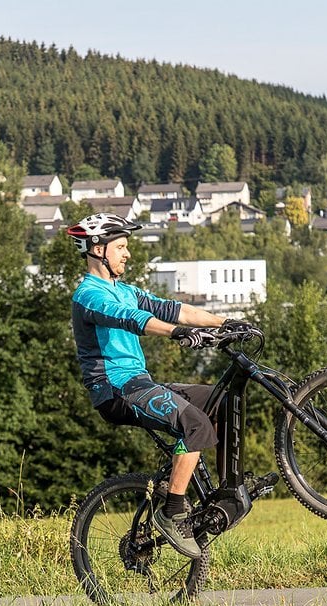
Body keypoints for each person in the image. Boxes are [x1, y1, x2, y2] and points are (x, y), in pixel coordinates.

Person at [66, 212, 253, 559]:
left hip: (140, 383)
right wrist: (176, 333)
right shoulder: (89, 295)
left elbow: (174, 309)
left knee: (224, 400)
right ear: (97, 248)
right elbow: (132, 319)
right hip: (117, 390)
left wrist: (226, 323)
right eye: (120, 247)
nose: (127, 254)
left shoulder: (124, 290)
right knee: (194, 424)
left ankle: (228, 490)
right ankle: (172, 511)